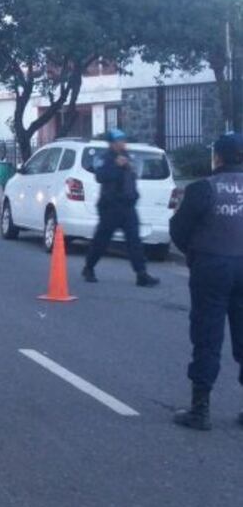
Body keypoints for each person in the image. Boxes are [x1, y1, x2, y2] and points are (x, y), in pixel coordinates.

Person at [169, 133, 243, 431]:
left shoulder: (203, 188)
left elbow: (179, 229)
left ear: (218, 158)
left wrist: (194, 253)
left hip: (211, 266)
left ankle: (200, 409)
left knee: (207, 336)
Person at [81, 129, 160, 287]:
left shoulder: (127, 156)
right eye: (119, 141)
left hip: (127, 206)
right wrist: (117, 166)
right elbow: (100, 176)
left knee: (134, 241)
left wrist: (134, 195)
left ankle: (141, 274)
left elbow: (131, 178)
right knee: (102, 240)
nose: (123, 143)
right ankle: (89, 268)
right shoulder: (106, 158)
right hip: (110, 206)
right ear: (112, 143)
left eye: (123, 140)